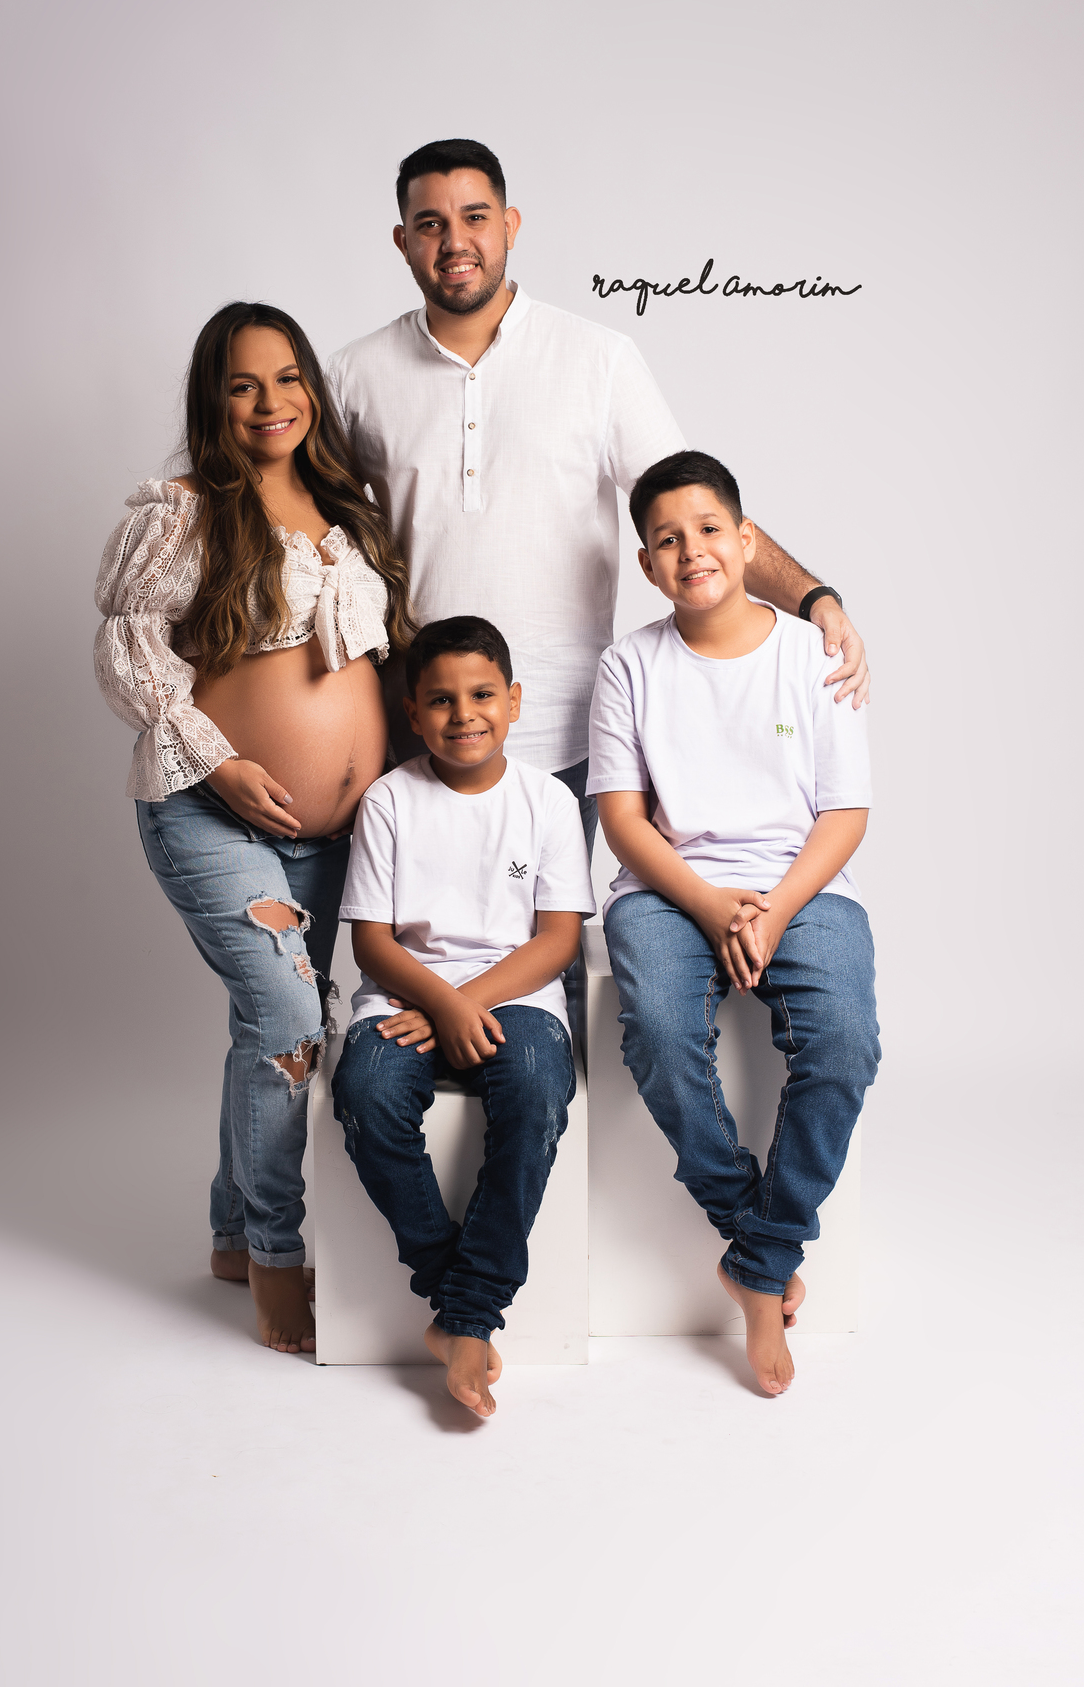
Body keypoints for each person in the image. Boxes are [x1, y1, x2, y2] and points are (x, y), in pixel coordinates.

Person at [327, 137, 871, 857]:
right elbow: (306, 533)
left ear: (510, 226)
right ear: (403, 241)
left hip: (565, 728)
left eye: (476, 217)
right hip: (414, 728)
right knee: (419, 922)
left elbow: (696, 514)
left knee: (552, 928)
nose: (455, 242)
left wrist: (814, 598)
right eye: (431, 224)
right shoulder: (353, 375)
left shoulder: (597, 358)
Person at [94, 301, 414, 1356]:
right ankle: (279, 1258)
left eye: (286, 379)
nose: (269, 402)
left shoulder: (348, 509)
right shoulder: (183, 512)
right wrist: (222, 764)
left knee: (279, 1023)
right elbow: (131, 651)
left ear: (311, 389)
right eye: (242, 385)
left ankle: (232, 1233)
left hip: (335, 836)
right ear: (213, 401)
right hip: (210, 812)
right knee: (288, 1018)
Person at [588, 450, 880, 1397]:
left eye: (710, 529)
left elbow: (845, 814)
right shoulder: (629, 665)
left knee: (844, 1043)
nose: (693, 552)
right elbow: (624, 821)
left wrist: (776, 907)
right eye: (667, 540)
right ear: (646, 564)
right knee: (660, 1035)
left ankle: (760, 1260)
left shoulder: (812, 655)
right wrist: (711, 905)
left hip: (804, 885)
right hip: (667, 888)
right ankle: (755, 1235)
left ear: (748, 540)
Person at [330, 616, 595, 1417]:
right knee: (367, 1095)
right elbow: (372, 943)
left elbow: (557, 941)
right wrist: (437, 1002)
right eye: (441, 700)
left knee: (537, 1092)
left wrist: (464, 1002)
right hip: (406, 996)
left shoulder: (548, 801)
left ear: (514, 701)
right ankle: (461, 1301)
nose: (464, 714)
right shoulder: (388, 799)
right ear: (413, 713)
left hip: (517, 997)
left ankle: (466, 1314)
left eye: (482, 695)